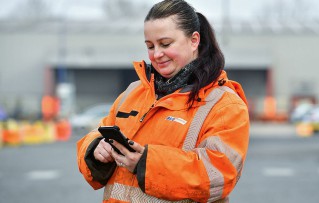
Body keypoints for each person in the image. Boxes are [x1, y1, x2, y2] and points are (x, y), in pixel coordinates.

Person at [77, 0, 250, 202]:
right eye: (150, 46)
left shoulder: (224, 104)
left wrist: (146, 164)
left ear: (194, 40)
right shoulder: (133, 92)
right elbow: (96, 133)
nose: (157, 54)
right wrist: (96, 149)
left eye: (165, 44)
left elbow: (220, 174)